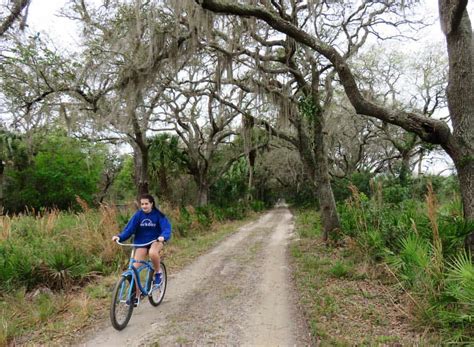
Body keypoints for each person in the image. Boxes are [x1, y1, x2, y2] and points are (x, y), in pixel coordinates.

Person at [112, 194, 171, 298]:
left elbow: (166, 228)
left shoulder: (158, 215)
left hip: (155, 240)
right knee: (134, 269)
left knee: (153, 253)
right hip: (141, 243)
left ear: (151, 204)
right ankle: (136, 294)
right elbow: (129, 230)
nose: (144, 206)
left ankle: (158, 273)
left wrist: (163, 236)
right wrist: (119, 237)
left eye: (146, 204)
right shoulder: (138, 215)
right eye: (142, 204)